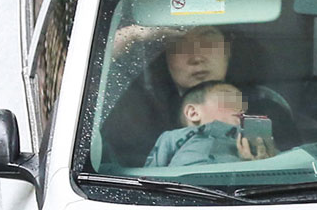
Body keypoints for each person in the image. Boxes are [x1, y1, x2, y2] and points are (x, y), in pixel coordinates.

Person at [101, 25, 290, 166]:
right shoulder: (135, 113)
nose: (196, 57)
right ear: (163, 55)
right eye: (178, 43)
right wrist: (133, 35)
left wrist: (265, 166)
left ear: (228, 49)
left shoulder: (266, 107)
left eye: (207, 41)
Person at [144, 81, 275, 167]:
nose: (241, 108)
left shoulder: (248, 140)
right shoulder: (173, 137)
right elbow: (151, 176)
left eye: (243, 105)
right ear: (193, 113)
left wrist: (258, 165)